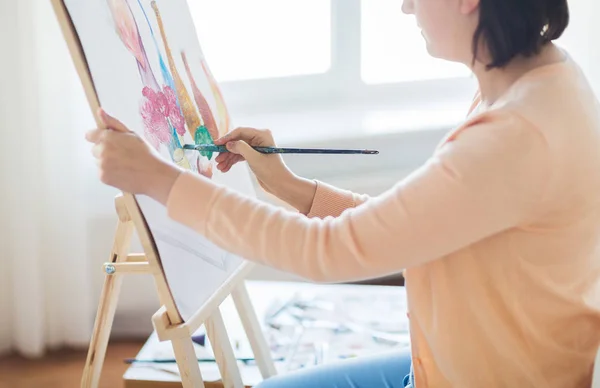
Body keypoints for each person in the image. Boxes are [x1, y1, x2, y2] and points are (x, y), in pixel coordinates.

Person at [85, 0, 600, 386]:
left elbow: (329, 252)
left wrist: (160, 180)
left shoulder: (513, 136)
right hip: (457, 365)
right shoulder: (539, 82)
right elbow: (407, 230)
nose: (405, 7)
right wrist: (289, 186)